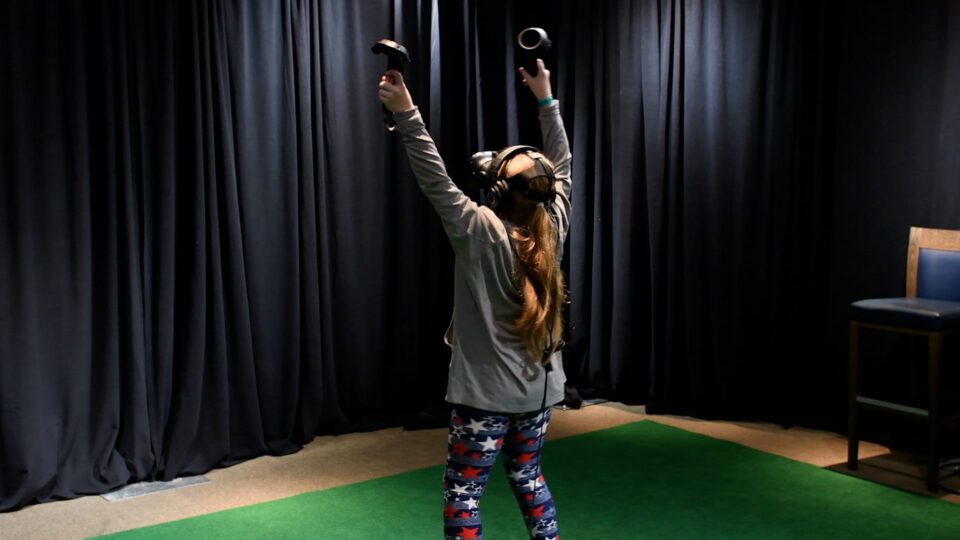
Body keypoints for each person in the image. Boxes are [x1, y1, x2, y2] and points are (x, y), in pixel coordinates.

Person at [379, 58, 571, 540]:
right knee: (528, 477)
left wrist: (406, 111)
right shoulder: (556, 224)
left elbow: (434, 176)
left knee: (464, 494)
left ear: (500, 187)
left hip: (484, 399)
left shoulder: (478, 228)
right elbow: (562, 164)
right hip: (539, 395)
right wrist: (546, 100)